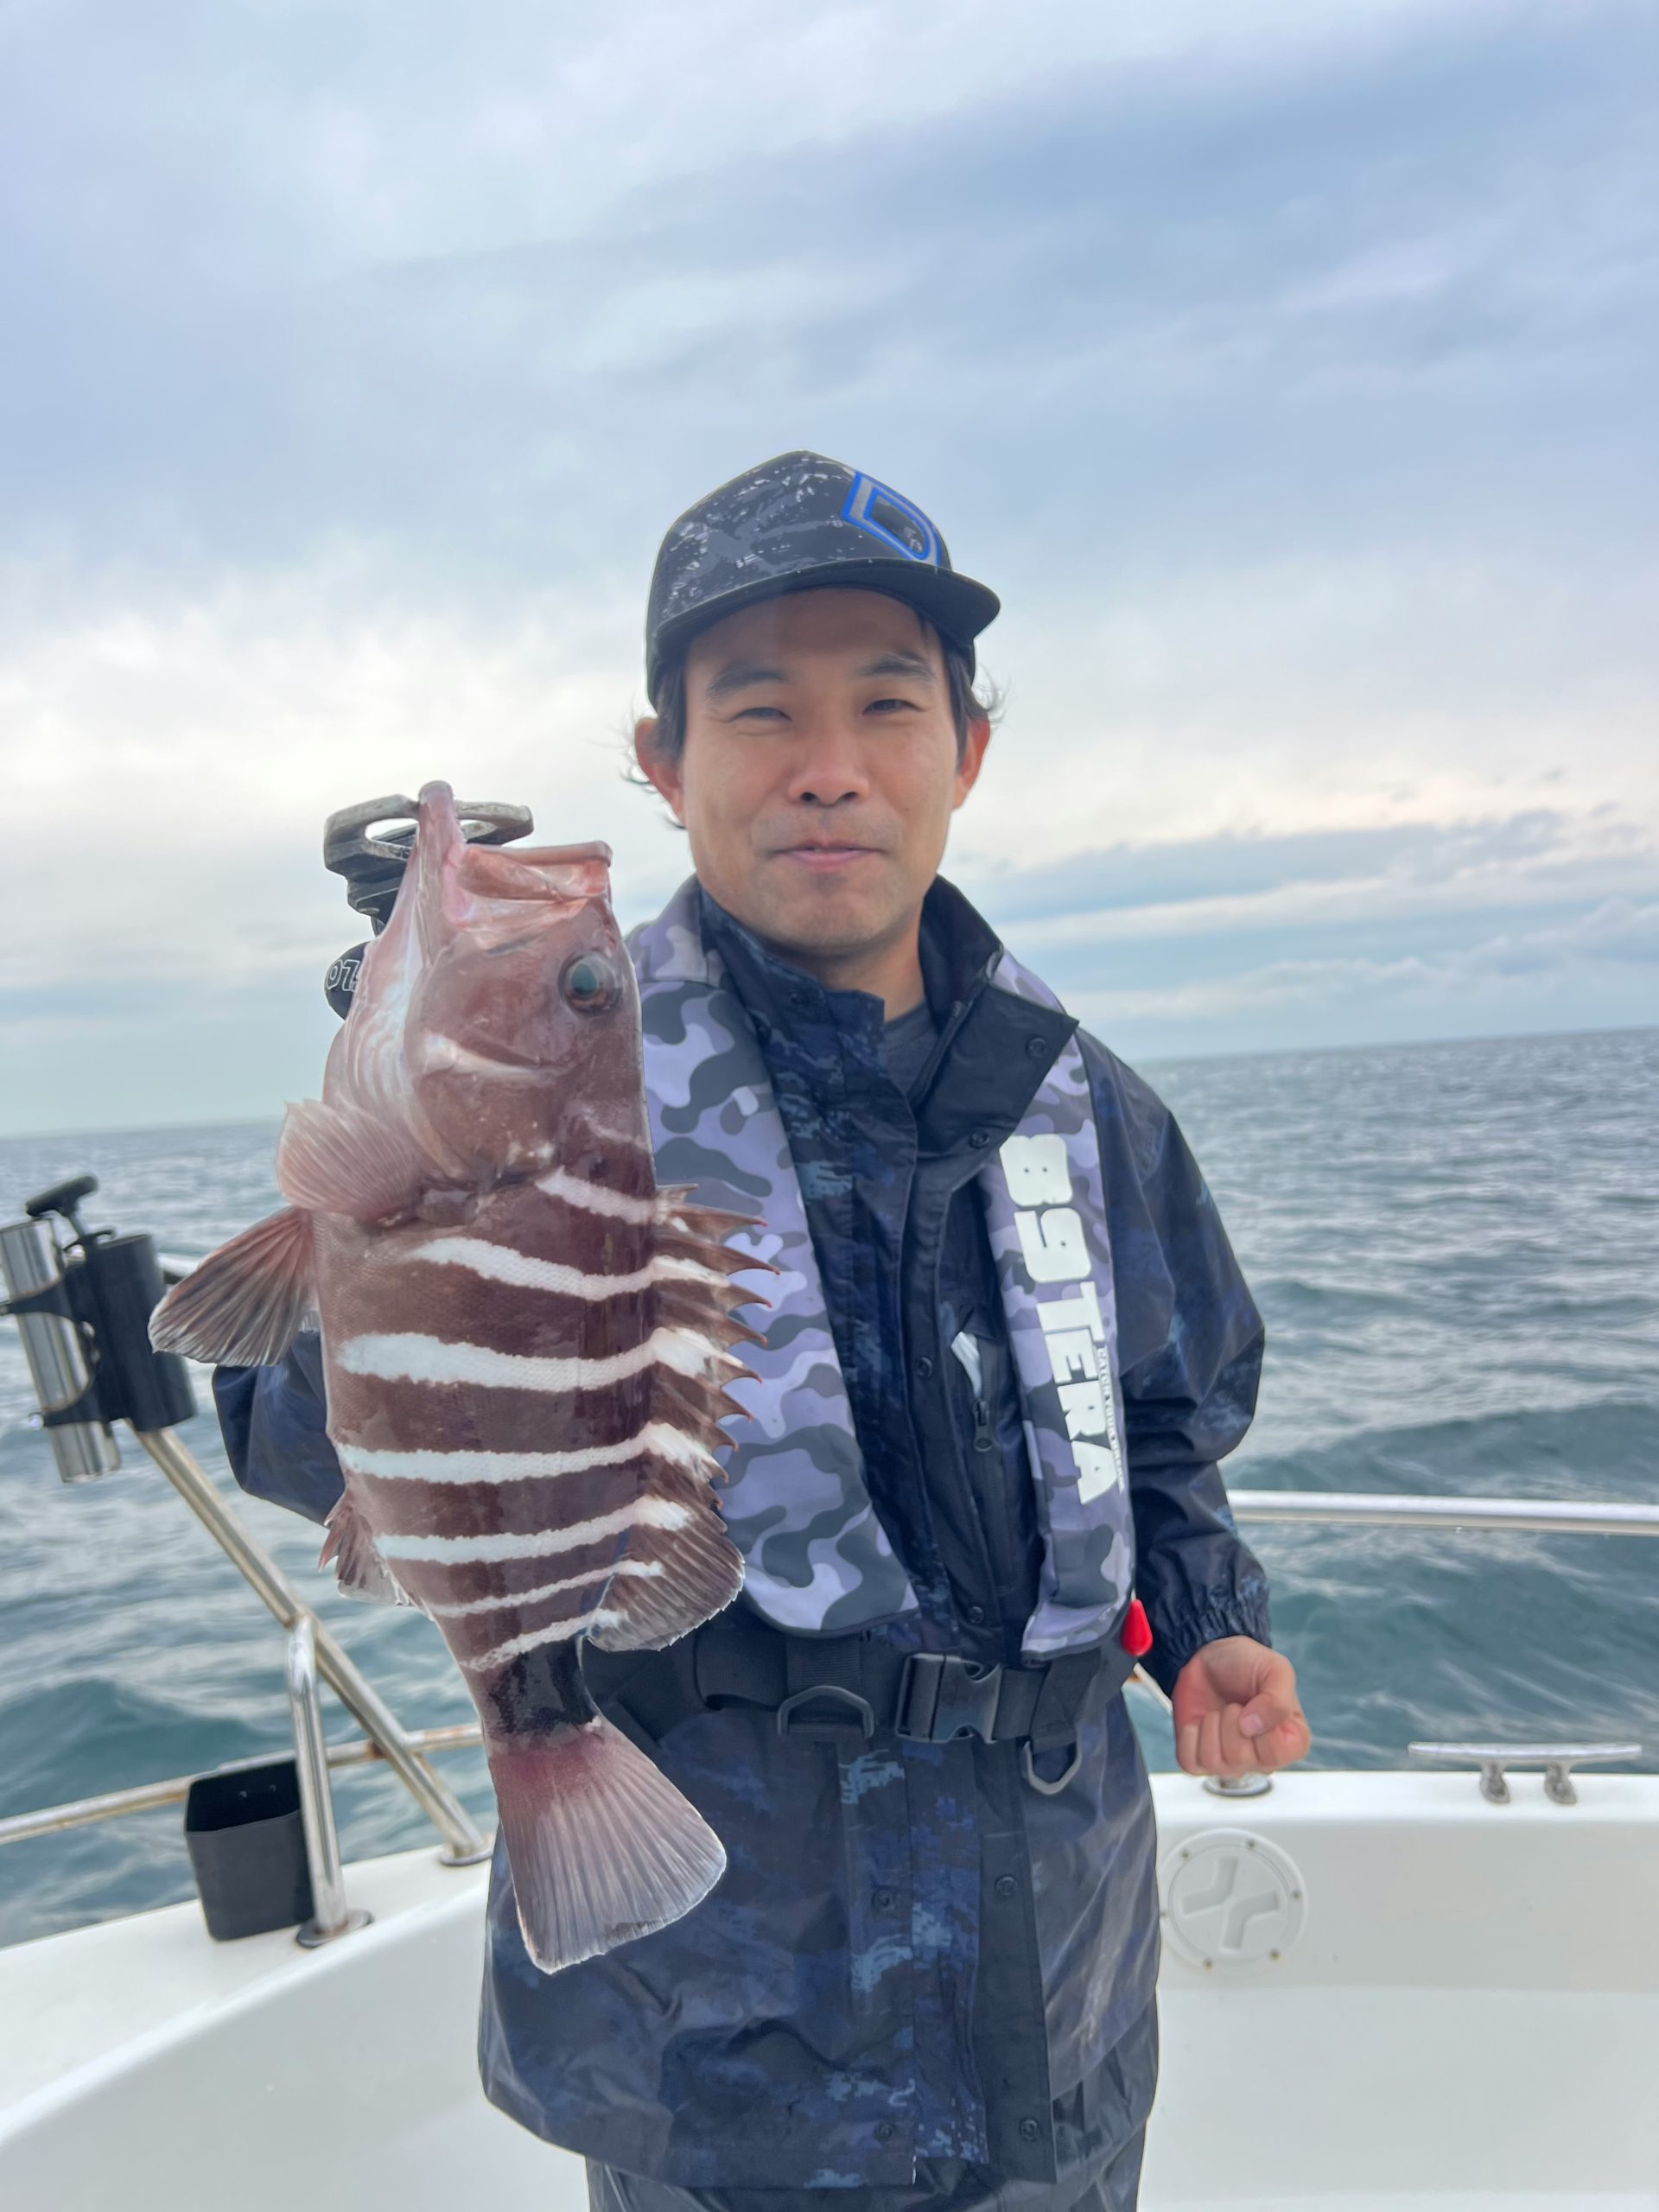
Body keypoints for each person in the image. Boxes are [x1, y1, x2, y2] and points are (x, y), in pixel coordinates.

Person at [215, 451, 1310, 2212]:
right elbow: (286, 1440)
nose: (829, 765)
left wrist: (1206, 1626)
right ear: (663, 762)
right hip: (718, 2048)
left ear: (968, 749)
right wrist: (387, 1202)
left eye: (887, 703)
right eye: (759, 710)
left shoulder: (1088, 1106)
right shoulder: (577, 1084)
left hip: (1063, 2001)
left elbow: (1170, 1424)